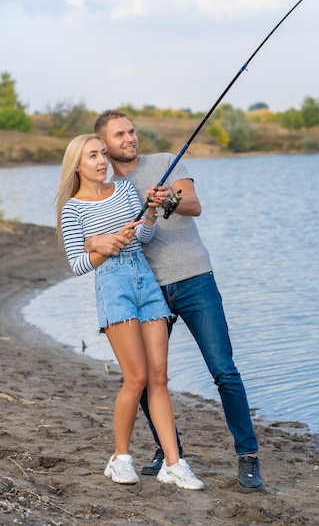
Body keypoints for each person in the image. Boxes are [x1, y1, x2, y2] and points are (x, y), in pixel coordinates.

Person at [88, 111, 263, 492]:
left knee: (224, 370)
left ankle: (248, 456)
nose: (129, 138)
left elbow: (194, 204)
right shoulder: (109, 187)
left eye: (131, 131)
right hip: (149, 292)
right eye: (119, 135)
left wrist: (168, 200)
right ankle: (170, 453)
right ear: (103, 144)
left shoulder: (166, 163)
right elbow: (90, 234)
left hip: (195, 278)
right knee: (151, 379)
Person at [56, 134, 204, 490]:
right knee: (136, 378)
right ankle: (120, 458)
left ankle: (174, 463)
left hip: (146, 282)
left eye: (103, 154)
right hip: (113, 286)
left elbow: (145, 239)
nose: (101, 160)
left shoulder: (123, 190)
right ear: (77, 164)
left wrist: (150, 213)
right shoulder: (72, 209)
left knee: (159, 377)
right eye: (93, 155)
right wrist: (103, 245)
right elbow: (77, 264)